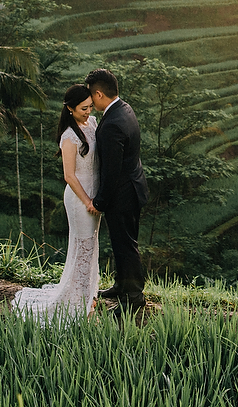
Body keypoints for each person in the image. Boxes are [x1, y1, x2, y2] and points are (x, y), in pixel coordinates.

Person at [11, 84, 101, 319]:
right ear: (70, 108)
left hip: (95, 195)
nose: (88, 112)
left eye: (90, 106)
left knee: (91, 246)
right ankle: (77, 302)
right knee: (83, 246)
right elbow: (69, 175)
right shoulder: (69, 136)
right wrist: (88, 201)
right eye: (83, 108)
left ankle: (88, 294)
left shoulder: (92, 124)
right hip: (79, 197)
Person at [85, 68, 149, 314]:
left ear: (99, 94)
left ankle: (134, 297)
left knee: (124, 245)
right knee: (123, 242)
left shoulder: (112, 124)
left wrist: (100, 202)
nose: (90, 102)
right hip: (133, 186)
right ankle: (122, 285)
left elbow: (111, 171)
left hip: (123, 193)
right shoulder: (125, 109)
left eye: (92, 96)